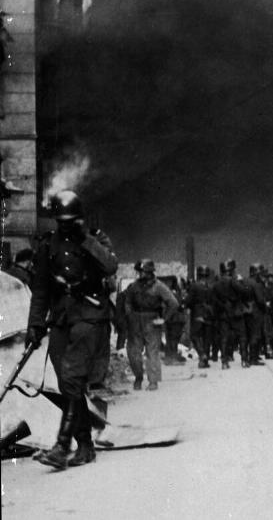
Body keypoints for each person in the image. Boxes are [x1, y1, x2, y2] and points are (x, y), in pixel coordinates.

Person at [25, 190, 118, 469]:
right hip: (62, 318)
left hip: (90, 315)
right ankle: (85, 445)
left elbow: (110, 266)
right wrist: (35, 324)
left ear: (80, 218)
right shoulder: (47, 245)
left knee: (72, 376)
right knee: (67, 384)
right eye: (61, 221)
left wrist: (85, 239)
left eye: (71, 221)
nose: (65, 226)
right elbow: (40, 289)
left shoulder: (95, 239)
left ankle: (63, 445)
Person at [125, 259, 179, 390]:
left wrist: (164, 319)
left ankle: (153, 381)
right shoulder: (133, 287)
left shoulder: (159, 286)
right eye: (138, 272)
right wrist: (130, 315)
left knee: (152, 352)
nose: (139, 275)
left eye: (142, 272)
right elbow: (127, 302)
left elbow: (173, 303)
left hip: (152, 320)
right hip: (136, 321)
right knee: (133, 352)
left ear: (149, 272)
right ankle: (138, 377)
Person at [213, 259, 249, 369]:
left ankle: (224, 362)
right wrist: (241, 282)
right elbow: (244, 292)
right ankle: (244, 360)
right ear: (231, 270)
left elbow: (214, 299)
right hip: (236, 312)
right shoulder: (233, 281)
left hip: (224, 314)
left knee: (224, 338)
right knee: (242, 336)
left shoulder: (217, 284)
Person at [184, 265, 216, 369]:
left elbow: (189, 301)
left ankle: (202, 355)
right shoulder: (211, 286)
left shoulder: (194, 286)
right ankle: (204, 361)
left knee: (194, 336)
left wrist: (185, 304)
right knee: (207, 338)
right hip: (209, 314)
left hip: (197, 314)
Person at [242, 263, 267, 365]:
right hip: (256, 312)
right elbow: (260, 300)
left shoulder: (244, 282)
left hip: (245, 310)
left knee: (247, 335)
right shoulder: (256, 284)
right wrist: (265, 308)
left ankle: (247, 357)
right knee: (255, 335)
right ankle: (253, 358)